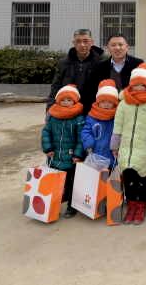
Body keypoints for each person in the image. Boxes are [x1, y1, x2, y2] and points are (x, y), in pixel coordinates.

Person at [110, 64, 146, 225]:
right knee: (129, 179)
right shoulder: (124, 103)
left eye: (142, 85)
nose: (139, 87)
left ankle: (141, 206)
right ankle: (131, 204)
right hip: (126, 148)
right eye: (136, 84)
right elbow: (117, 126)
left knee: (143, 180)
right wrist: (115, 145)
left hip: (145, 150)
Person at [41, 84, 85, 218]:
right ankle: (54, 203)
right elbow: (46, 132)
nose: (66, 102)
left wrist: (78, 154)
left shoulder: (78, 118)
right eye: (63, 100)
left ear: (74, 101)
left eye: (69, 100)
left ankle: (72, 206)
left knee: (72, 182)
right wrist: (48, 148)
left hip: (71, 158)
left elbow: (81, 138)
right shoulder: (52, 116)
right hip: (55, 156)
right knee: (57, 182)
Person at [47, 29, 104, 114]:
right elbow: (56, 87)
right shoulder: (64, 63)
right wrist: (50, 108)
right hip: (67, 109)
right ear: (74, 43)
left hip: (92, 111)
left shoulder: (101, 63)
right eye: (78, 41)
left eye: (85, 41)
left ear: (92, 42)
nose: (82, 45)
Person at [84, 34, 143, 110]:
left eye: (120, 45)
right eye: (113, 45)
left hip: (131, 109)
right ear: (108, 48)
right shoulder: (99, 67)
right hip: (106, 110)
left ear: (127, 47)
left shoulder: (138, 64)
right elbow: (91, 92)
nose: (117, 48)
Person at [81, 79, 119, 169]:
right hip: (95, 154)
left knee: (108, 177)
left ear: (114, 103)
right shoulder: (92, 116)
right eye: (103, 101)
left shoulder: (117, 117)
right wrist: (89, 144)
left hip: (111, 157)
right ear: (98, 102)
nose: (106, 104)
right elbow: (85, 131)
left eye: (110, 102)